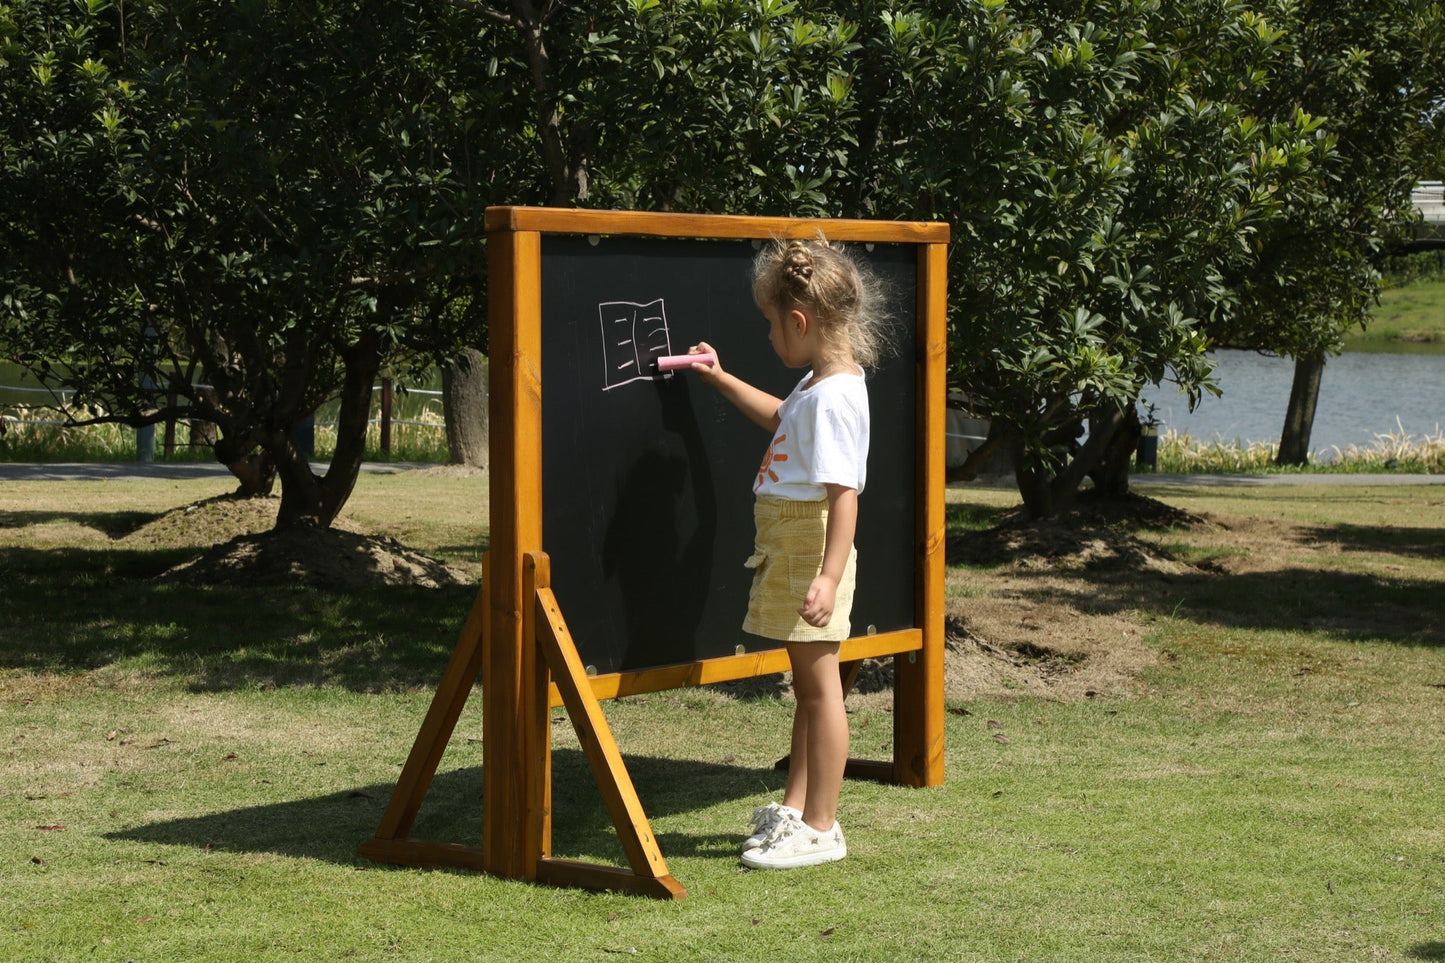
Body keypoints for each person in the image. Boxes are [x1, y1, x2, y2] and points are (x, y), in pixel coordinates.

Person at [688, 235, 888, 870]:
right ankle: (798, 810)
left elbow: (844, 494)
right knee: (807, 690)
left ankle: (823, 827)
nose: (770, 337)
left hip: (809, 547)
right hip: (794, 543)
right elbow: (779, 419)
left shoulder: (832, 398)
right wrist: (720, 378)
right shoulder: (819, 385)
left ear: (800, 321)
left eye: (772, 324)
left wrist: (828, 576)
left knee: (820, 690)